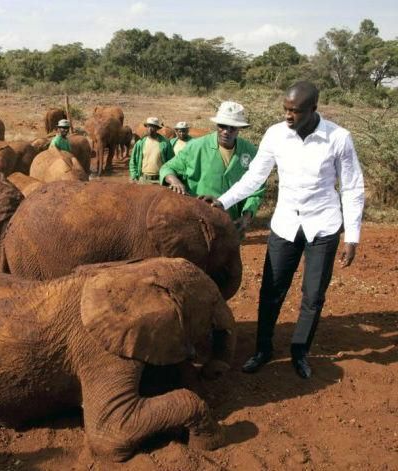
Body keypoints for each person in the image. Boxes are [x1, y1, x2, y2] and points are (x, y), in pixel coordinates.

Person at [210, 81, 365, 379]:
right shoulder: (275, 135)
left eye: (295, 111)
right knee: (271, 290)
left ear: (313, 110)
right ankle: (263, 350)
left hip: (323, 225)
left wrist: (353, 236)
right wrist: (223, 200)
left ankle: (300, 351)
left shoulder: (339, 138)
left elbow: (352, 187)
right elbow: (255, 177)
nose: (288, 116)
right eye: (285, 109)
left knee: (313, 295)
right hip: (285, 224)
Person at [159, 101, 264, 234]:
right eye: (222, 126)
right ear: (217, 125)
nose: (226, 131)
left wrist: (247, 216)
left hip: (231, 224)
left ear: (240, 128)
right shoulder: (196, 147)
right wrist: (174, 181)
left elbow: (257, 189)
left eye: (233, 128)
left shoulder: (250, 152)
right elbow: (168, 167)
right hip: (197, 221)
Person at [129, 117, 174, 184]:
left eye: (153, 127)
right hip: (143, 179)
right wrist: (134, 176)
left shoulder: (165, 143)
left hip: (160, 180)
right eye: (148, 126)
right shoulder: (140, 143)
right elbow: (133, 161)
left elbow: (171, 162)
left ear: (157, 129)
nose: (150, 129)